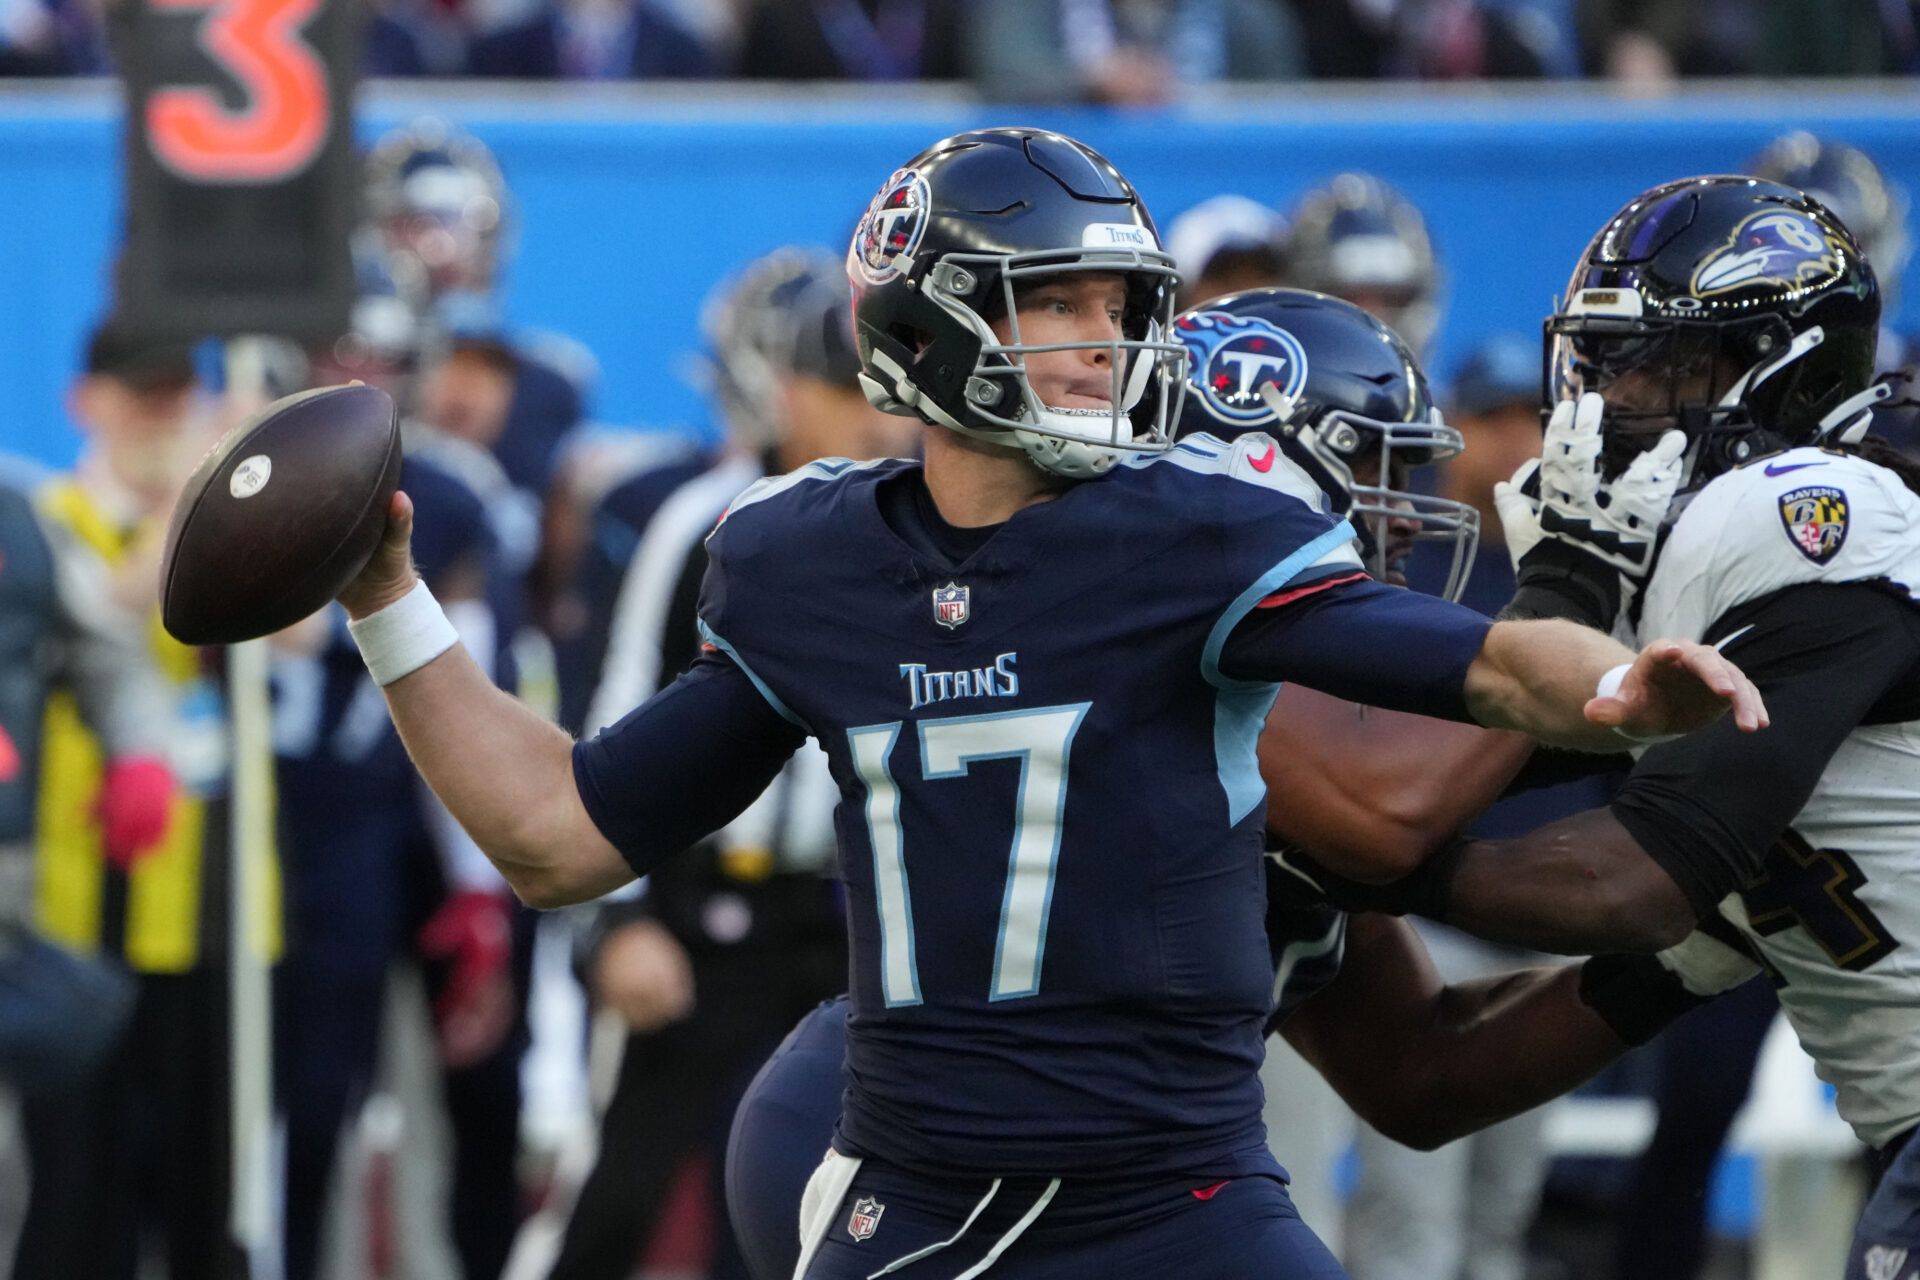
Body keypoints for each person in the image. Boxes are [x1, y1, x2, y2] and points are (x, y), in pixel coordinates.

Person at [332, 129, 1759, 1280]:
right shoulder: (805, 557)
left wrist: (1622, 682)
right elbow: (557, 833)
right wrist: (386, 598)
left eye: (1121, 306)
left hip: (1183, 1190)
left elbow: (1490, 670)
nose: (1103, 340)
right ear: (927, 314)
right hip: (925, 1194)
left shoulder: (1195, 535)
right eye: (1057, 301)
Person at [714, 285, 1744, 1280]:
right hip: (912, 1154)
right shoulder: (1171, 613)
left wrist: (1698, 960)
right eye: (1373, 468)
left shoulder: (1284, 689)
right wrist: (1576, 580)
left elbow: (1419, 1071)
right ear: (1262, 462)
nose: (1403, 522)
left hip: (1105, 1174)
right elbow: (1385, 823)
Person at [1297, 174, 1920, 1280]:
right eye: (1603, 360)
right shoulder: (1764, 786)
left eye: (1662, 365)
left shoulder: (1807, 509)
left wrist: (1325, 858)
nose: (1613, 400)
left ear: (1779, 369)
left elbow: (1623, 878)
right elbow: (1431, 1076)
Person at [544, 247, 912, 1280]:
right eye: (845, 388)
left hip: (839, 929)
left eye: (884, 388)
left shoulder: (917, 529)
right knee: (610, 1203)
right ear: (778, 389)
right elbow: (613, 722)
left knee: (800, 1216)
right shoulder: (702, 524)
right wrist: (619, 920)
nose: (874, 417)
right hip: (700, 923)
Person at [17, 323, 274, 1279]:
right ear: (86, 401)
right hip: (71, 906)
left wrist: (249, 494)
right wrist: (201, 484)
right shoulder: (41, 519)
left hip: (218, 912)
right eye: (142, 396)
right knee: (71, 1206)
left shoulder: (227, 526)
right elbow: (126, 601)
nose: (162, 417)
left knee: (211, 1206)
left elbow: (293, 640)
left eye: (179, 395)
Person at [1286, 173, 1443, 357]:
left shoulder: (1475, 383)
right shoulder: (1254, 385)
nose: (1372, 316)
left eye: (1392, 298)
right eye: (1347, 298)